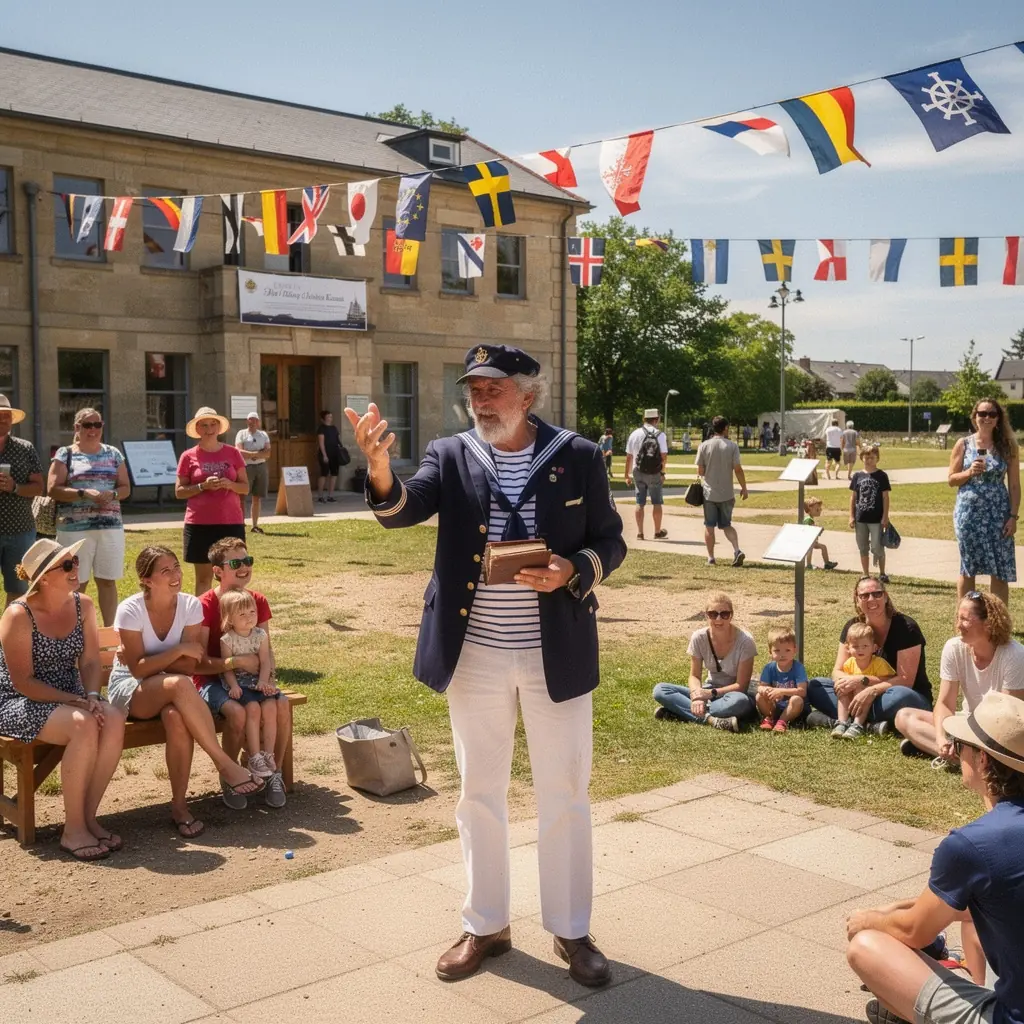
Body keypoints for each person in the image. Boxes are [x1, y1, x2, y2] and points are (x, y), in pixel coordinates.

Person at [346, 343, 626, 988]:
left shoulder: (577, 455)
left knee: (565, 792)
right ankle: (486, 924)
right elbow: (400, 513)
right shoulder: (451, 453)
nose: (480, 397)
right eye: (473, 386)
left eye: (493, 387)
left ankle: (571, 929)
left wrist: (572, 570)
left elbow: (609, 540)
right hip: (472, 653)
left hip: (554, 651)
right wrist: (381, 467)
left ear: (528, 394)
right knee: (478, 793)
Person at [846, 690, 1024, 1024]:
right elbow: (992, 901)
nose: (957, 755)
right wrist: (892, 909)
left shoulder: (971, 844)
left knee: (867, 946)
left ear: (983, 759)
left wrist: (868, 921)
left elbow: (916, 932)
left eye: (961, 746)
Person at [107, 546, 263, 838]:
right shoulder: (130, 609)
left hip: (171, 689)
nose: (176, 574)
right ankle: (224, 763)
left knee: (176, 717)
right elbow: (138, 670)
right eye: (165, 571)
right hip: (130, 689)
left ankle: (179, 807)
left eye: (177, 567)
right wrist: (177, 649)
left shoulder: (190, 606)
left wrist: (159, 661)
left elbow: (189, 665)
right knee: (178, 685)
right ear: (147, 580)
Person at [0, 538, 125, 861]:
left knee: (112, 716)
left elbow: (90, 661)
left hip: (72, 697)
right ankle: (72, 831)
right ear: (43, 577)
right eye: (67, 565)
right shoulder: (18, 615)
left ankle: (87, 818)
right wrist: (76, 701)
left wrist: (93, 695)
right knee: (83, 725)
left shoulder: (83, 604)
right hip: (19, 700)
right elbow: (23, 682)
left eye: (76, 561)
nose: (76, 569)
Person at [192, 537, 290, 810]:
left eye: (248, 561)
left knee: (281, 704)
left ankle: (273, 772)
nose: (245, 567)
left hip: (252, 679)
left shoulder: (256, 600)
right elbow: (197, 664)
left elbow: (266, 651)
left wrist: (267, 681)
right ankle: (230, 773)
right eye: (236, 563)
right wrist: (233, 663)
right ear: (217, 571)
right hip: (211, 679)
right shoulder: (204, 604)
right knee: (237, 712)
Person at [895, 591, 1024, 761]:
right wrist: (942, 738)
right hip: (968, 725)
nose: (958, 625)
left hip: (1002, 732)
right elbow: (945, 703)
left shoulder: (1015, 654)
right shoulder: (954, 648)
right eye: (958, 618)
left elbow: (1008, 719)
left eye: (965, 619)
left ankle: (953, 752)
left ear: (988, 624)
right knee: (903, 717)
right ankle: (963, 755)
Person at [807, 576, 932, 730]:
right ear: (857, 600)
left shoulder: (906, 628)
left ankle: (846, 719)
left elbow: (905, 681)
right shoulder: (852, 627)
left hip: (902, 695)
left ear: (885, 597)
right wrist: (850, 682)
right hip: (859, 692)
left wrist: (866, 684)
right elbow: (837, 671)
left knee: (900, 695)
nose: (871, 599)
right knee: (815, 686)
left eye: (877, 594)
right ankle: (867, 724)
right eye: (864, 595)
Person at [47, 408, 130, 627]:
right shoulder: (65, 454)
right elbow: (53, 489)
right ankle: (72, 633)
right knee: (75, 583)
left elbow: (125, 488)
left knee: (107, 581)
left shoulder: (113, 453)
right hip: (74, 530)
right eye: (87, 425)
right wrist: (83, 493)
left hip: (110, 528)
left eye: (97, 425)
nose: (92, 430)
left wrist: (111, 494)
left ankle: (110, 632)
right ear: (77, 428)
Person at [653, 591, 757, 733]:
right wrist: (697, 696)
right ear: (706, 615)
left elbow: (741, 686)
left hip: (732, 695)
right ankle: (712, 720)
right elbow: (694, 675)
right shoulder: (699, 637)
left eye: (724, 614)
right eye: (713, 614)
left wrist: (709, 694)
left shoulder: (745, 641)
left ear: (731, 615)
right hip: (708, 691)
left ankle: (680, 712)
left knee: (740, 702)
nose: (718, 619)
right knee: (660, 690)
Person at [950, 398, 1019, 605]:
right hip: (969, 514)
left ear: (998, 419)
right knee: (968, 567)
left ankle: (998, 623)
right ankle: (965, 619)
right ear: (975, 417)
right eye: (982, 413)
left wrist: (1013, 516)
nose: (986, 418)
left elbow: (1014, 486)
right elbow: (951, 479)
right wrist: (969, 472)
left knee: (999, 569)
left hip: (999, 514)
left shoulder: (1007, 446)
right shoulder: (963, 444)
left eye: (991, 414)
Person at [175, 407, 249, 595]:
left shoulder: (233, 453)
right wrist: (202, 486)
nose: (209, 429)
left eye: (213, 424)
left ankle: (233, 618)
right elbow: (179, 492)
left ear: (219, 427)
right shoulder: (188, 456)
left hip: (230, 522)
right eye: (204, 425)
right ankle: (202, 621)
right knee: (203, 578)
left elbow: (245, 487)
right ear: (197, 429)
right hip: (200, 523)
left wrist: (230, 484)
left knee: (233, 575)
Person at [216, 589, 278, 778]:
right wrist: (233, 686)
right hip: (239, 683)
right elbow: (226, 667)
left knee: (270, 708)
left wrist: (264, 681)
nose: (249, 617)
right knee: (253, 709)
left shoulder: (260, 635)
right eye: (242, 614)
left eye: (252, 612)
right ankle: (255, 756)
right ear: (230, 619)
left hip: (258, 680)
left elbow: (265, 661)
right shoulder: (227, 640)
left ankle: (268, 753)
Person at [0, 395, 43, 607]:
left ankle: (10, 637)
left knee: (18, 589)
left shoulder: (25, 448)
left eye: (6, 416)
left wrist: (15, 487)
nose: (3, 420)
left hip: (20, 530)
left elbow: (39, 487)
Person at [696, 415, 748, 567]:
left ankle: (711, 558)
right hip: (726, 493)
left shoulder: (704, 446)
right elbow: (737, 469)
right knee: (726, 525)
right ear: (725, 428)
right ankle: (737, 550)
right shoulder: (732, 446)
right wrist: (744, 487)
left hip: (709, 493)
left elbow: (700, 470)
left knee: (709, 526)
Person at [832, 622, 895, 740]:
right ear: (848, 648)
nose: (860, 650)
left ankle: (857, 724)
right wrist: (843, 684)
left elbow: (890, 679)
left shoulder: (879, 663)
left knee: (860, 688)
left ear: (874, 648)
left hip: (874, 699)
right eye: (855, 646)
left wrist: (864, 682)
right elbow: (841, 676)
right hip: (852, 700)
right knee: (843, 688)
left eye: (865, 646)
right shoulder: (849, 663)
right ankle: (842, 722)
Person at [624, 409, 668, 540]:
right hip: (655, 472)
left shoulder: (634, 434)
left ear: (644, 419)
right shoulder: (660, 435)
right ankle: (657, 531)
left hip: (638, 471)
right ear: (657, 419)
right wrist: (662, 472)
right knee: (657, 503)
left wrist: (626, 475)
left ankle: (640, 533)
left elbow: (629, 457)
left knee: (639, 503)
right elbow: (664, 456)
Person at [850, 444, 891, 583]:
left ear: (877, 459)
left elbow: (885, 497)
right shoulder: (857, 476)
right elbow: (853, 497)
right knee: (862, 546)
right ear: (862, 458)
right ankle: (866, 573)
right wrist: (851, 515)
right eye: (866, 457)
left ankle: (882, 573)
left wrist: (885, 516)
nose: (869, 460)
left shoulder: (881, 476)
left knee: (876, 546)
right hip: (861, 518)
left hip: (876, 518)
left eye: (872, 458)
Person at [756, 625, 807, 733]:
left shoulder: (798, 668)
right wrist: (764, 690)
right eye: (777, 651)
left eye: (787, 650)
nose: (782, 655)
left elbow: (802, 691)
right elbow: (761, 686)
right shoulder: (769, 668)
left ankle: (782, 722)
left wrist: (781, 691)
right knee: (759, 696)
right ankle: (770, 718)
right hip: (775, 706)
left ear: (795, 650)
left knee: (796, 699)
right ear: (770, 651)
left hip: (792, 708)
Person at [235, 412, 271, 535]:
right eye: (250, 420)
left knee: (257, 497)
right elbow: (239, 452)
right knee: (242, 496)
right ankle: (240, 523)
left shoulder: (263, 435)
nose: (252, 422)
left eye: (255, 420)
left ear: (258, 422)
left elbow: (267, 453)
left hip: (260, 467)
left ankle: (255, 525)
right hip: (245, 467)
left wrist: (250, 454)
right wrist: (256, 454)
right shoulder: (241, 433)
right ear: (247, 421)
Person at [803, 498, 838, 570]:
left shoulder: (810, 519)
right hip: (808, 542)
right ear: (810, 509)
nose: (820, 511)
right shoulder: (808, 519)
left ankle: (827, 563)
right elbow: (809, 531)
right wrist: (818, 530)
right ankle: (809, 565)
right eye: (817, 509)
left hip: (813, 541)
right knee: (810, 549)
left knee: (823, 547)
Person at [316, 410, 342, 503]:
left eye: (331, 417)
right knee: (324, 474)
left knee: (334, 474)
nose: (330, 419)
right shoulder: (321, 429)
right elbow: (321, 443)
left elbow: (338, 440)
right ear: (323, 419)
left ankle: (330, 495)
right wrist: (324, 455)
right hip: (325, 454)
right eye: (328, 417)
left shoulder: (334, 428)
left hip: (334, 453)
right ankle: (320, 496)